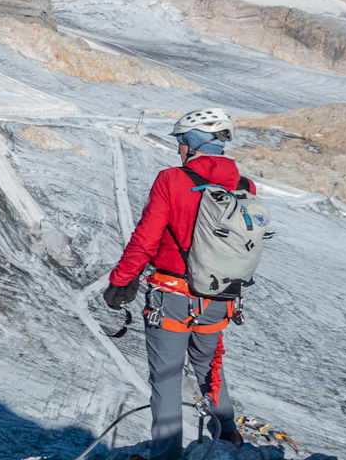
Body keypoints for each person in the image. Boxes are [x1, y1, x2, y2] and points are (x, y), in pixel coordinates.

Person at [103, 108, 250, 460]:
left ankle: (165, 455)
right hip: (219, 298)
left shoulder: (172, 179)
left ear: (192, 144)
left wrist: (121, 282)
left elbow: (146, 238)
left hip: (172, 297)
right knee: (210, 369)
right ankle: (228, 441)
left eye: (181, 142)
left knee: (167, 380)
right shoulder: (244, 186)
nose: (179, 149)